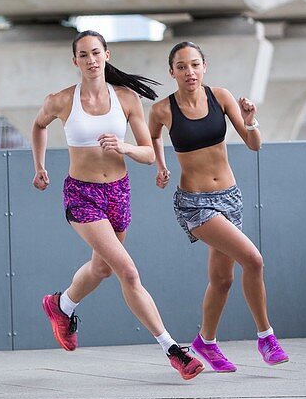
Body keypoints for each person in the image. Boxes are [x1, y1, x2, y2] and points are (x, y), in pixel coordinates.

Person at [33, 30, 204, 380]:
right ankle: (174, 350)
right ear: (75, 61)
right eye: (84, 55)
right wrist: (39, 167)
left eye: (96, 53)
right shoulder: (62, 100)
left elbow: (147, 152)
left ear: (107, 55)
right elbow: (38, 126)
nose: (91, 60)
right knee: (128, 271)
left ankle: (61, 305)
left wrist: (124, 148)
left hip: (119, 193)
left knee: (103, 269)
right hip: (82, 195)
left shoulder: (126, 99)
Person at [147, 40, 289, 371]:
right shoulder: (162, 110)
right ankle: (266, 336)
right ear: (172, 72)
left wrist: (251, 119)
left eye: (194, 64)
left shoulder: (221, 97)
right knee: (253, 259)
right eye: (181, 66)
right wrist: (160, 164)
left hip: (230, 197)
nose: (189, 71)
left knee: (222, 279)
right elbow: (153, 135)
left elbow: (254, 144)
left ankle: (205, 342)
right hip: (195, 203)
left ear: (204, 66)